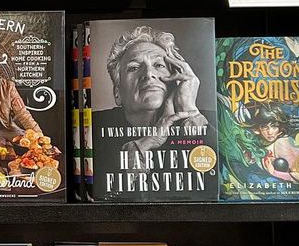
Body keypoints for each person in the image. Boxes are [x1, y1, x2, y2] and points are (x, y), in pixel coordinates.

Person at [91, 24, 215, 172]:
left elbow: (225, 175)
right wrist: (146, 143)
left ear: (177, 79)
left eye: (159, 65)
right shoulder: (93, 128)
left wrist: (188, 111)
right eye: (134, 68)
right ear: (117, 93)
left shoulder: (213, 122)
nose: (149, 74)